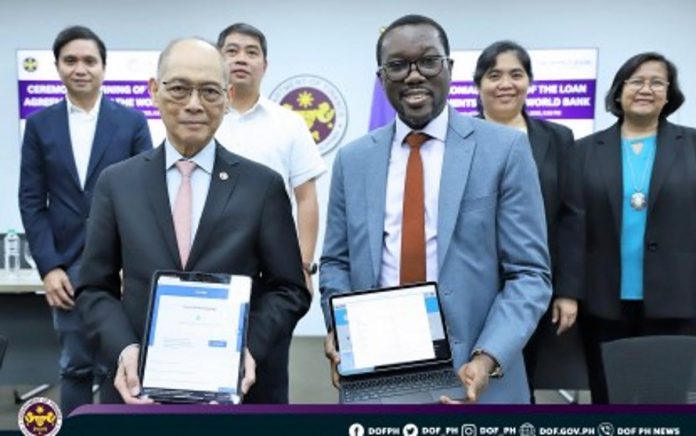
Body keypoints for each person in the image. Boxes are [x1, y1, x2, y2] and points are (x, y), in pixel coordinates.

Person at [320, 15, 552, 403]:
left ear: (450, 69)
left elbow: (529, 274)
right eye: (397, 65)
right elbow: (335, 263)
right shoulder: (352, 160)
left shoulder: (504, 150)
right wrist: (340, 329)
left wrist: (487, 356)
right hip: (378, 375)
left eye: (428, 61)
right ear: (381, 78)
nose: (414, 76)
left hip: (476, 373)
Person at [75, 38, 310, 404]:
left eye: (210, 91)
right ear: (154, 91)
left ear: (228, 96)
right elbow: (93, 288)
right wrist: (124, 349)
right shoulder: (117, 183)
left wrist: (246, 348)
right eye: (179, 89)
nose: (194, 104)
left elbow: (289, 289)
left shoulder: (261, 186)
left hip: (239, 392)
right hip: (140, 388)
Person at [18, 25, 152, 414]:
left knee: (124, 365)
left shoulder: (132, 123)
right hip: (68, 272)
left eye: (89, 60)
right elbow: (31, 200)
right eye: (70, 60)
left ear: (104, 68)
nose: (80, 68)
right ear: (57, 67)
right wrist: (49, 266)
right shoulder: (40, 126)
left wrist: (137, 262)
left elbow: (145, 198)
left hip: (124, 270)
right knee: (74, 368)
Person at [558, 52, 696, 404]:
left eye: (656, 82)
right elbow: (571, 226)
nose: (645, 89)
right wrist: (567, 290)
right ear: (619, 92)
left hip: (676, 298)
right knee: (608, 397)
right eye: (636, 81)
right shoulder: (582, 151)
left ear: (669, 94)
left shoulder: (693, 145)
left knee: (665, 399)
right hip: (603, 299)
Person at [472, 40, 577, 401]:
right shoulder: (459, 140)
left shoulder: (558, 138)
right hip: (473, 284)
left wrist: (566, 290)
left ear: (529, 82)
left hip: (532, 287)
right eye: (494, 74)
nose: (505, 83)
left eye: (516, 74)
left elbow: (571, 217)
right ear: (478, 85)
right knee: (468, 380)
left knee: (521, 383)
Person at [216, 23, 326, 294]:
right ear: (217, 61)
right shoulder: (199, 119)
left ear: (264, 66)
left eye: (251, 52)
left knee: (269, 331)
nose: (241, 58)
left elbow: (306, 197)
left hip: (273, 255)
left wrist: (305, 264)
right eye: (232, 51)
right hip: (208, 252)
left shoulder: (289, 123)